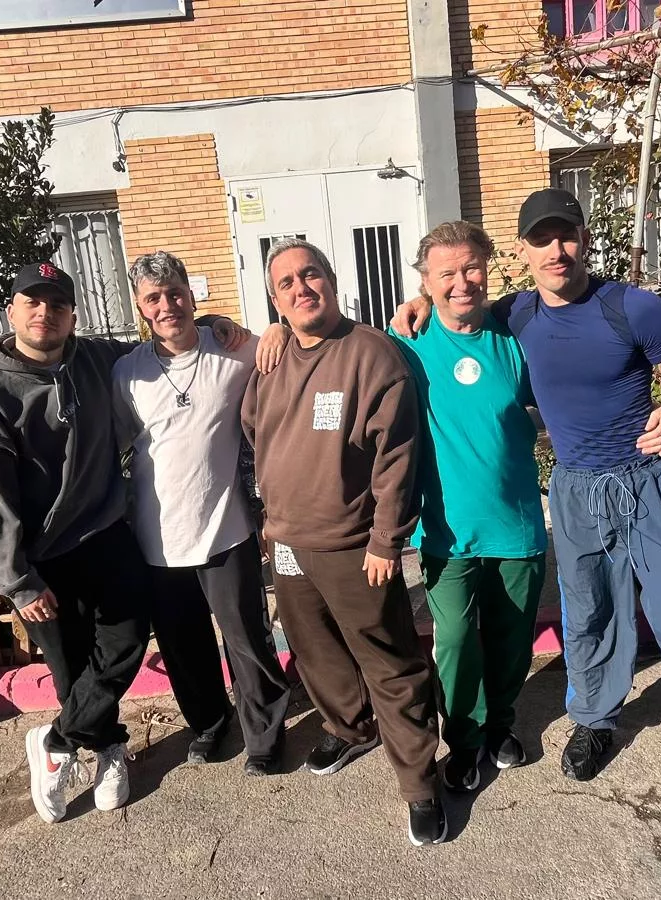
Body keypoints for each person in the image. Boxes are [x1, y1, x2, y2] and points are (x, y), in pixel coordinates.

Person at [391, 190, 661, 842]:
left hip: (652, 487)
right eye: (543, 240)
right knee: (589, 619)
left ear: (584, 239)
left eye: (566, 237)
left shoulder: (632, 307)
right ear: (525, 252)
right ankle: (594, 720)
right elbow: (456, 304)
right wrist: (418, 300)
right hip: (577, 488)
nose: (556, 251)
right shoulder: (518, 314)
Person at [388, 221, 661, 795]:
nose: (460, 282)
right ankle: (465, 740)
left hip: (517, 521)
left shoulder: (515, 337)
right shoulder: (408, 344)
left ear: (489, 268)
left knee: (510, 638)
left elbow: (558, 402)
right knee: (454, 640)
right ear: (425, 280)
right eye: (444, 273)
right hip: (445, 528)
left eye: (471, 267)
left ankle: (500, 725)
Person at [0, 261, 247, 823]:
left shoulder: (93, 359)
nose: (46, 314)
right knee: (71, 668)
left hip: (107, 536)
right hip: (43, 560)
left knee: (127, 639)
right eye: (33, 303)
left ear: (73, 314)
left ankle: (56, 742)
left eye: (58, 304)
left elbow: (166, 335)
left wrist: (211, 320)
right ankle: (104, 744)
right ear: (11, 311)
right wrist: (18, 582)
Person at [240, 238, 446, 847]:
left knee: (389, 660)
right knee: (314, 651)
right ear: (276, 300)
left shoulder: (372, 355)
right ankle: (352, 728)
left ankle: (419, 781)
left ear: (332, 281)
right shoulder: (270, 361)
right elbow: (256, 434)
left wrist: (388, 540)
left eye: (312, 275)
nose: (302, 289)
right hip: (286, 542)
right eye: (287, 283)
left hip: (356, 546)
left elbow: (397, 459)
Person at [111, 251, 291, 778]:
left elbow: (285, 349)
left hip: (227, 530)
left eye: (175, 294)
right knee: (184, 645)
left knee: (247, 641)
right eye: (154, 298)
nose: (167, 305)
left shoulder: (232, 350)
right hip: (156, 538)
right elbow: (118, 443)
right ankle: (210, 725)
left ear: (191, 295)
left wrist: (274, 328)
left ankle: (264, 735)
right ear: (141, 308)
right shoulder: (128, 374)